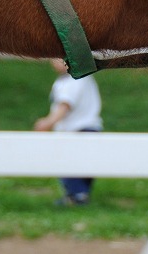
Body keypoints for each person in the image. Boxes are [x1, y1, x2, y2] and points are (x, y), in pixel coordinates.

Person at [34, 58, 103, 206]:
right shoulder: (66, 80)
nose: (59, 62)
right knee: (84, 166)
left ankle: (77, 195)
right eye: (55, 59)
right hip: (86, 128)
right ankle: (80, 194)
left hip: (78, 129)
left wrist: (47, 123)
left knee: (65, 163)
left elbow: (65, 106)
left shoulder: (75, 79)